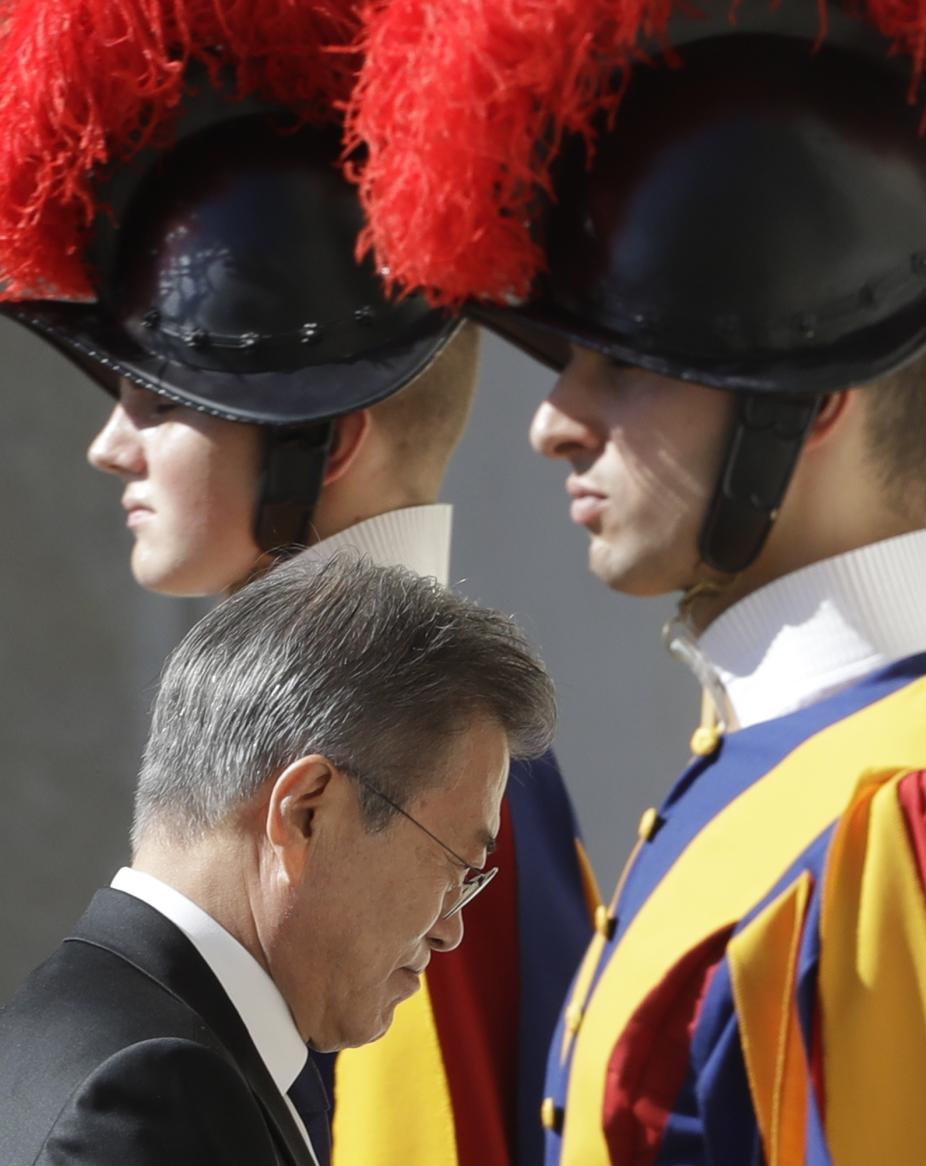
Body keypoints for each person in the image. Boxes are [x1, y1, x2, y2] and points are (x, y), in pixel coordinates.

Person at [344, 1, 926, 1162]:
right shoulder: (794, 751)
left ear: (811, 401)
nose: (553, 424)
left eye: (622, 364)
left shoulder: (911, 801)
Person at [0, 4, 595, 1165]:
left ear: (327, 439)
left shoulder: (439, 776)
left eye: (163, 398)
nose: (111, 446)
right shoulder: (445, 761)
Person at [0, 551, 558, 1165]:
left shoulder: (70, 1037)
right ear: (306, 813)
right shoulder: (156, 1093)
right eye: (454, 866)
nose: (452, 930)